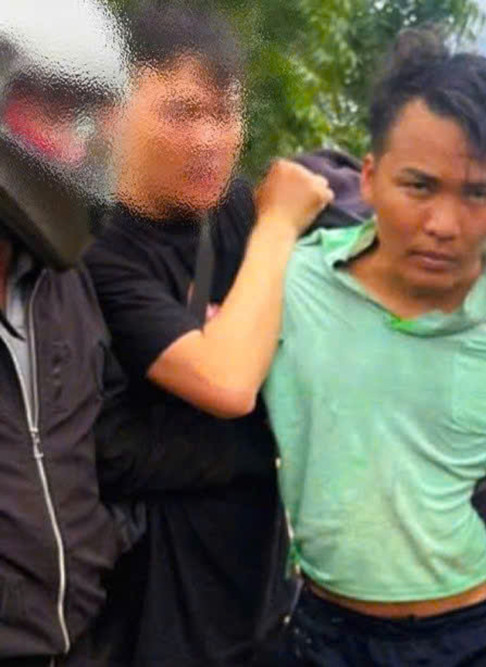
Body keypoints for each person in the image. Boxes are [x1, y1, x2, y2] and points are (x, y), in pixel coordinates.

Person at [262, 28, 486, 667]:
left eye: (478, 193)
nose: (445, 225)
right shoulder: (292, 278)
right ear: (370, 178)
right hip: (321, 634)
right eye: (419, 187)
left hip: (471, 637)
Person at [82, 4, 333, 665]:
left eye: (225, 114)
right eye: (181, 112)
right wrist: (278, 227)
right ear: (113, 110)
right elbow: (227, 381)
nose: (209, 139)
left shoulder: (240, 212)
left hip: (261, 606)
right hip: (143, 624)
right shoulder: (92, 248)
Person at [0, 2, 143, 664]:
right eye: (54, 110)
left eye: (81, 117)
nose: (76, 146)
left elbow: (108, 436)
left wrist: (108, 540)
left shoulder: (67, 286)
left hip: (80, 642)